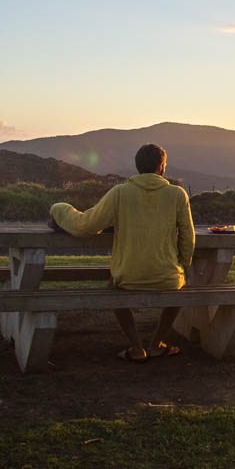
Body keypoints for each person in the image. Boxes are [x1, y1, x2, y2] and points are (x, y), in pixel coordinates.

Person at [49, 143, 196, 363]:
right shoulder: (178, 194)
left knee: (112, 289)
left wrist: (59, 208)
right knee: (181, 284)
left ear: (137, 167)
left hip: (128, 275)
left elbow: (85, 226)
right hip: (167, 276)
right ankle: (156, 344)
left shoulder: (120, 193)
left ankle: (137, 348)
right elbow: (188, 237)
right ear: (162, 167)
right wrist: (184, 264)